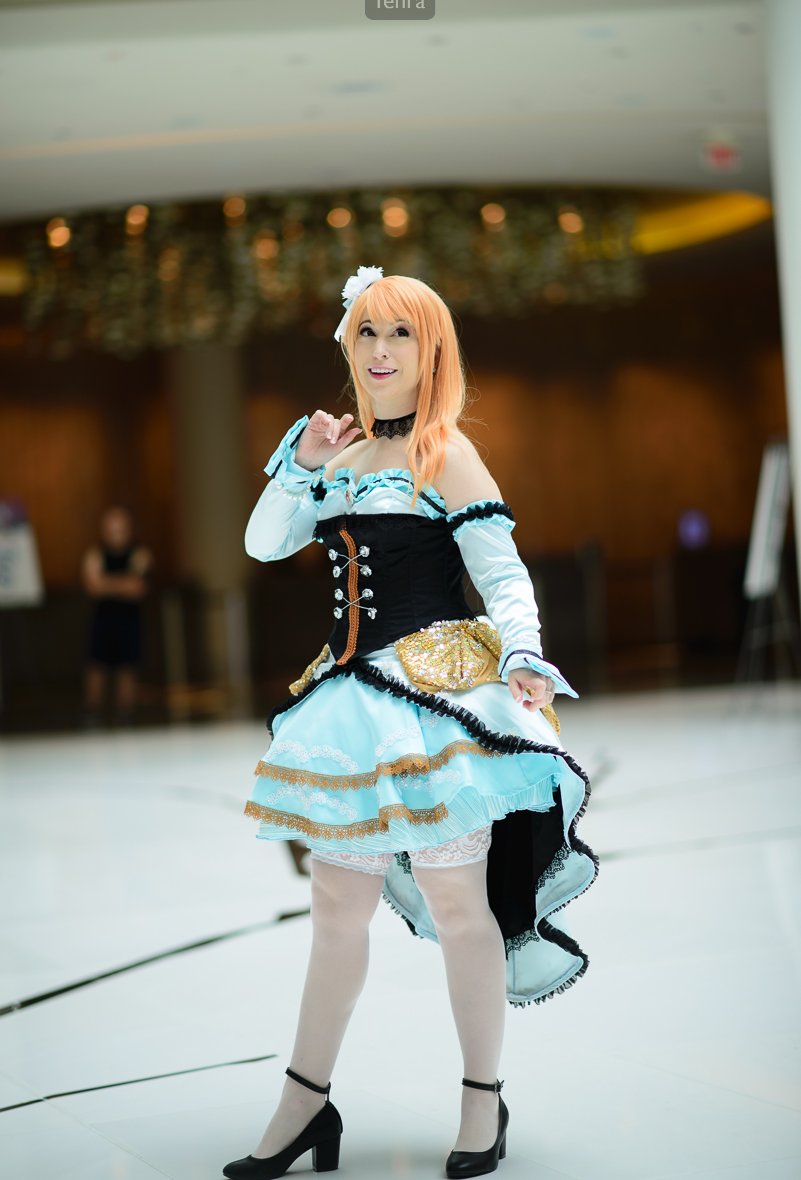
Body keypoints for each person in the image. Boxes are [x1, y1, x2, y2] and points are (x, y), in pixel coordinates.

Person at [225, 269, 597, 1180]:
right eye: (366, 335)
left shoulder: (446, 454)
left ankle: (482, 1103)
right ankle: (304, 1105)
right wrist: (301, 464)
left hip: (431, 706)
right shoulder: (337, 460)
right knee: (333, 911)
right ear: (346, 349)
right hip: (348, 706)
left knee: (460, 908)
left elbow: (503, 575)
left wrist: (523, 653)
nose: (382, 353)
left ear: (431, 352)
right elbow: (263, 544)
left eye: (401, 336)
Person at [82, 506, 152, 727]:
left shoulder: (140, 553)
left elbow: (138, 587)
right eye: (111, 530)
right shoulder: (95, 553)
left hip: (129, 619)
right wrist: (123, 583)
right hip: (103, 618)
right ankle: (92, 711)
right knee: (96, 666)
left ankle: (126, 713)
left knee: (128, 667)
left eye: (120, 530)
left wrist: (106, 583)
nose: (116, 535)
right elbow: (92, 587)